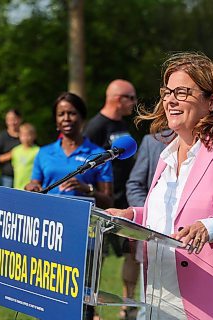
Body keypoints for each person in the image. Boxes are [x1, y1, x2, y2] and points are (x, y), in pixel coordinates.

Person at [107, 52, 213, 319]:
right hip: (161, 293)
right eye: (167, 92)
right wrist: (132, 216)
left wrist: (209, 227)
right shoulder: (166, 154)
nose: (170, 100)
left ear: (211, 102)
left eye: (182, 92)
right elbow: (174, 214)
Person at [84, 79, 138, 317]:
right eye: (132, 98)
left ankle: (128, 305)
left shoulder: (123, 125)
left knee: (132, 251)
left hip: (126, 201)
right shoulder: (96, 126)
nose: (135, 103)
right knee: (97, 258)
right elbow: (88, 165)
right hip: (105, 204)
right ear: (118, 98)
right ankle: (90, 308)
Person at [25, 92, 113, 207]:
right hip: (48, 217)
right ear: (56, 121)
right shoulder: (43, 152)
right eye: (61, 114)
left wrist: (87, 189)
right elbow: (35, 184)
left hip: (81, 220)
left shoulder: (99, 155)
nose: (66, 118)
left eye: (72, 113)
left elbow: (109, 202)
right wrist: (30, 187)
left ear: (82, 118)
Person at [125, 132, 168, 320]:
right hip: (154, 239)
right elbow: (134, 184)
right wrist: (149, 216)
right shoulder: (152, 141)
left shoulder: (209, 142)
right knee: (149, 310)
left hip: (196, 245)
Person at [0, 109, 22, 188]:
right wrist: (12, 154)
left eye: (14, 119)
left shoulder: (26, 135)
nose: (12, 122)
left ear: (20, 119)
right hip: (7, 177)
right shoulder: (2, 136)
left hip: (24, 176)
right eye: (9, 120)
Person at [11, 123, 39, 190]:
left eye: (28, 135)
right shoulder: (15, 150)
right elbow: (14, 166)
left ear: (34, 136)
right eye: (23, 135)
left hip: (31, 188)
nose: (26, 138)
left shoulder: (38, 151)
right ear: (19, 135)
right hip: (17, 186)